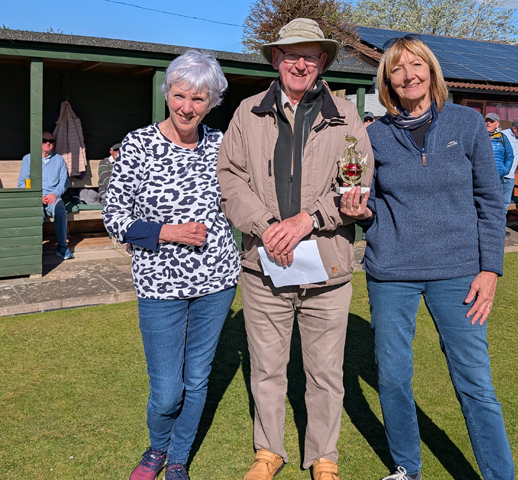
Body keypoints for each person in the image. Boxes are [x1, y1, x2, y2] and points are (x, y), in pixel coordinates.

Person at [341, 34, 515, 480]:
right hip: (391, 274)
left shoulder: (467, 123)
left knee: (475, 384)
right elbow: (371, 204)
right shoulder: (372, 136)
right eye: (397, 69)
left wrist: (490, 269)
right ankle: (407, 468)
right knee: (394, 379)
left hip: (459, 273)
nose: (408, 75)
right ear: (387, 81)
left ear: (431, 72)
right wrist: (362, 212)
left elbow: (490, 202)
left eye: (416, 65)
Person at [217, 18, 373, 480]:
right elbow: (230, 178)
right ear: (275, 60)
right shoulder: (247, 112)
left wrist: (308, 219)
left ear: (322, 61)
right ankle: (269, 451)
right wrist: (267, 227)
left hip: (328, 268)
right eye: (290, 54)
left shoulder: (346, 116)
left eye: (309, 55)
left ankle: (323, 456)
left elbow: (358, 183)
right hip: (263, 267)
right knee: (267, 370)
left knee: (325, 373)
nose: (299, 63)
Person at [103, 50, 240, 480]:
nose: (187, 107)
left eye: (199, 99)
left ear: (212, 102)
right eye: (180, 95)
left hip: (217, 280)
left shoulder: (221, 145)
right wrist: (168, 232)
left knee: (198, 379)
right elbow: (115, 218)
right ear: (168, 93)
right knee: (166, 390)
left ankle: (178, 458)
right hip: (160, 285)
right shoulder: (138, 144)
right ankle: (156, 449)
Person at [18, 131, 74, 260]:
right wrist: (36, 196)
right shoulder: (28, 158)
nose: (48, 143)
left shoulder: (59, 159)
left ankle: (61, 247)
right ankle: (35, 248)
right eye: (44, 140)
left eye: (51, 141)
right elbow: (22, 182)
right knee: (36, 213)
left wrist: (54, 194)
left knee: (60, 210)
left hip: (52, 196)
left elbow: (64, 182)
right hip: (35, 196)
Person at [485, 112, 514, 183]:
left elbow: (509, 156)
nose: (488, 123)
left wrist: (504, 171)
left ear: (497, 124)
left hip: (497, 179)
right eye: (486, 121)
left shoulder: (502, 138)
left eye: (491, 121)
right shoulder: (478, 136)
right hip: (480, 178)